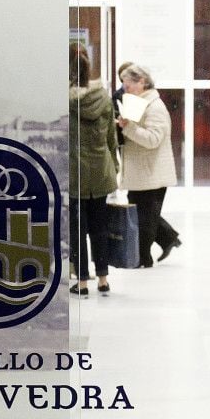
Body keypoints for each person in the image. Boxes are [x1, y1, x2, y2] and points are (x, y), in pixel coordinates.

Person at [115, 63, 182, 268]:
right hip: (140, 173)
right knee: (141, 217)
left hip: (151, 174)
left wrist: (128, 128)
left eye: (128, 86)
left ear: (141, 82)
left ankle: (143, 259)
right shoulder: (137, 102)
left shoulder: (155, 107)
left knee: (144, 220)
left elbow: (153, 139)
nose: (125, 90)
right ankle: (158, 245)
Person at [69, 48, 119, 296]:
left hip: (75, 171)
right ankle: (103, 279)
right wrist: (115, 168)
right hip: (101, 169)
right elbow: (112, 137)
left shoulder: (67, 102)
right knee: (99, 226)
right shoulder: (104, 98)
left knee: (78, 228)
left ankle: (81, 282)